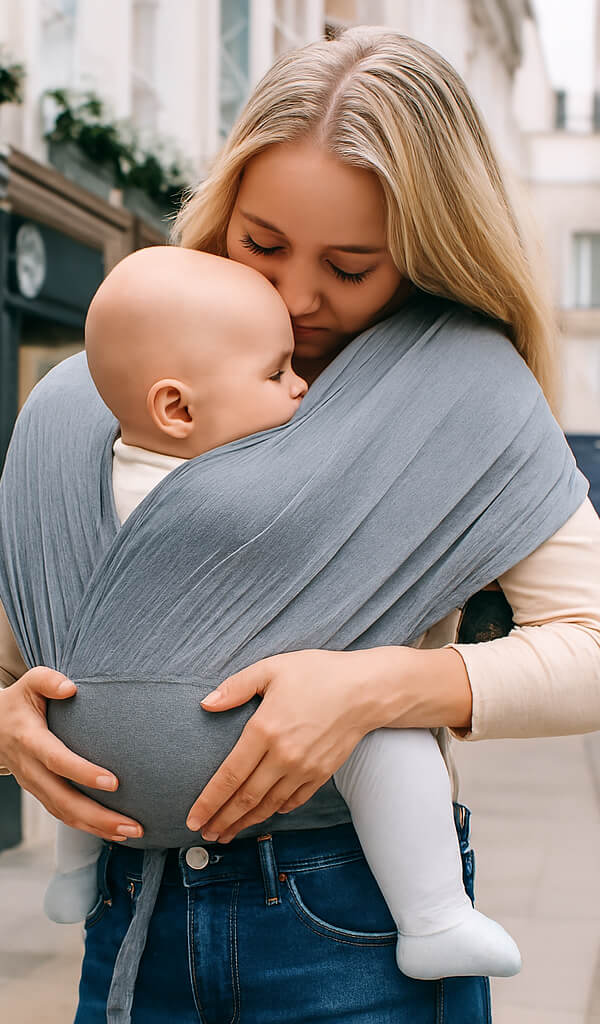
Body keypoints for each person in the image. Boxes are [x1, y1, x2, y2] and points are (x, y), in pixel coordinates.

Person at [0, 26, 600, 1023]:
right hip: (131, 918)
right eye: (261, 244)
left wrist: (367, 687)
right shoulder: (102, 399)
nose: (297, 299)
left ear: (422, 253)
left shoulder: (457, 395)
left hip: (352, 922)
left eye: (350, 264)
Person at [41, 243, 521, 985]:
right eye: (277, 373)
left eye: (350, 264)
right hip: (228, 791)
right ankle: (435, 918)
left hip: (104, 793)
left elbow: (17, 630)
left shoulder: (81, 470)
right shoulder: (266, 483)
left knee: (67, 702)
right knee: (385, 745)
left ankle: (71, 874)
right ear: (177, 405)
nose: (300, 388)